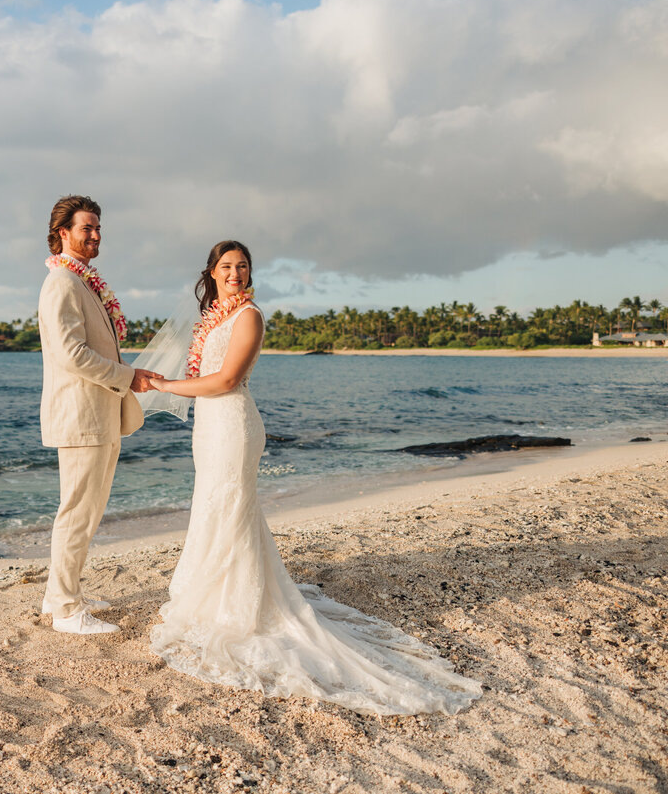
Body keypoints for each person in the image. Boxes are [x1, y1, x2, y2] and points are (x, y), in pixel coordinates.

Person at [142, 240, 481, 715]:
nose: (235, 274)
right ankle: (211, 595)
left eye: (242, 266)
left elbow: (226, 381)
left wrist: (162, 384)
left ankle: (238, 605)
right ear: (211, 273)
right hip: (208, 427)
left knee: (231, 505)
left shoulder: (249, 317)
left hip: (233, 425)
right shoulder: (214, 318)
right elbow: (206, 375)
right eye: (226, 266)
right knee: (215, 504)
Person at [37, 195, 162, 635]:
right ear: (63, 234)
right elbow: (72, 355)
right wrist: (128, 377)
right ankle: (67, 610)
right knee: (77, 512)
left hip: (100, 412)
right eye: (86, 228)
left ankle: (60, 595)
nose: (95, 236)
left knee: (86, 512)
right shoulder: (62, 285)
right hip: (80, 416)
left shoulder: (82, 282)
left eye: (97, 228)